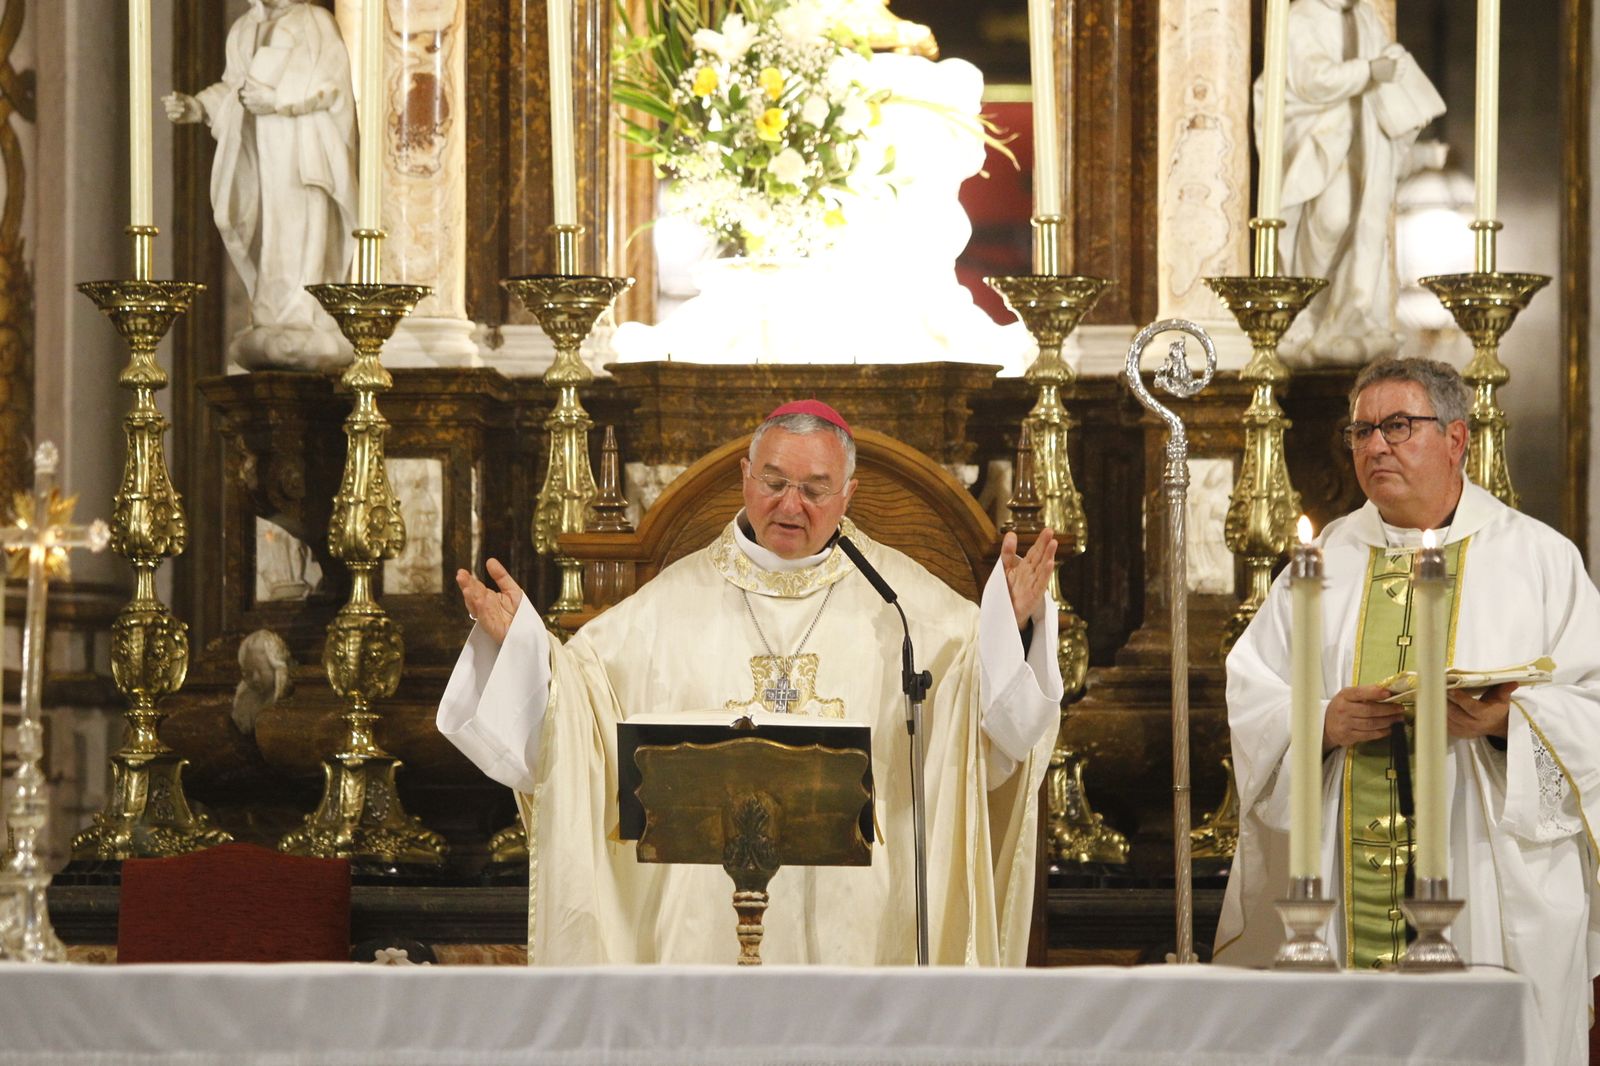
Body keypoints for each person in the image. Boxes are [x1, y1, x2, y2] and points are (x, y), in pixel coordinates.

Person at [439, 401, 1063, 965]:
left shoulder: (902, 604)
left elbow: (992, 730)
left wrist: (1014, 629)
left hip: (861, 926)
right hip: (700, 921)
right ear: (745, 475)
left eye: (816, 489)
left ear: (849, 493)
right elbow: (578, 706)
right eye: (774, 483)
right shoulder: (669, 606)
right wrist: (524, 648)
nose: (791, 506)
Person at [1218, 357, 1600, 1065]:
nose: (1374, 446)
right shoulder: (1325, 559)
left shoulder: (1539, 560)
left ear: (1457, 439)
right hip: (1338, 877)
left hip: (1485, 870)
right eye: (1361, 431)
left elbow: (1592, 702)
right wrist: (1322, 722)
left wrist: (1508, 724)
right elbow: (1254, 689)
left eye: (1397, 426)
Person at [163, 0, 357, 371]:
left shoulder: (314, 22)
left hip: (303, 152)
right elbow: (234, 88)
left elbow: (332, 85)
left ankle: (307, 316)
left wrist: (279, 100)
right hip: (261, 156)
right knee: (271, 238)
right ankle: (272, 315)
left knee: (304, 234)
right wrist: (198, 107)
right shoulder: (243, 29)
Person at [1265, 0, 1443, 364]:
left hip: (1364, 141)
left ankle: (1348, 317)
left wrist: (1392, 60)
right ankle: (1307, 315)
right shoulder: (1302, 16)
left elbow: (1383, 60)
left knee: (1362, 227)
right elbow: (1311, 80)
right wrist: (1369, 70)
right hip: (1319, 138)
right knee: (1329, 221)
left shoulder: (1364, 15)